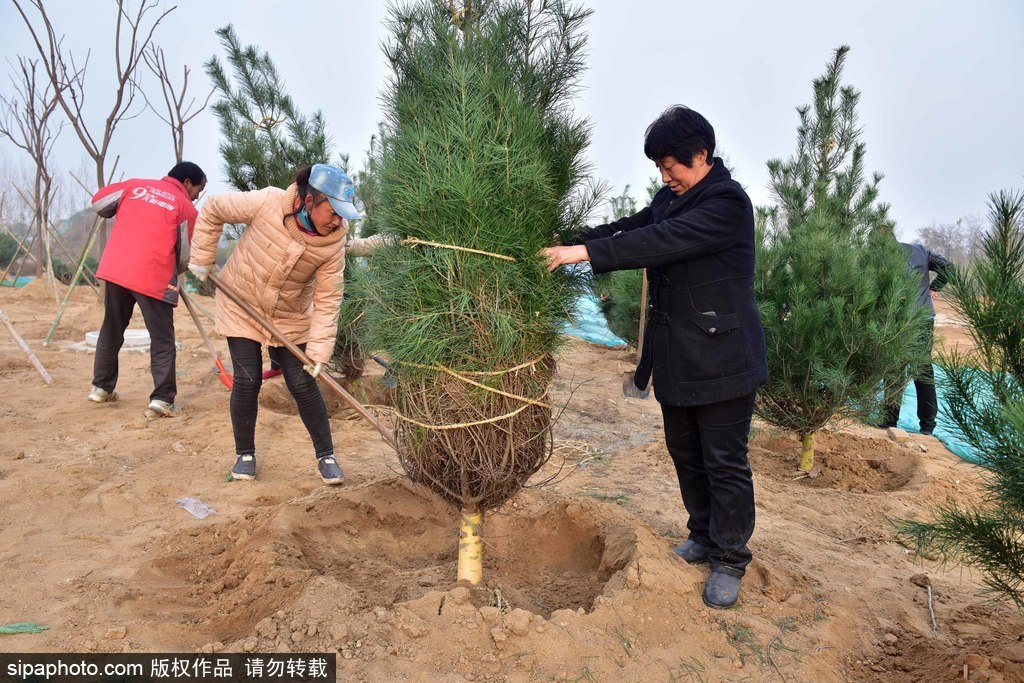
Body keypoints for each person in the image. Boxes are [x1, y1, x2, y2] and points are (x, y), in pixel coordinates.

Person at [542, 105, 767, 608]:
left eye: (672, 166)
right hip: (678, 355)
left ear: (702, 155)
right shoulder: (672, 198)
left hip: (724, 357)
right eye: (660, 169)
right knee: (686, 453)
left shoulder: (726, 203)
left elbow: (660, 241)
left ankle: (730, 557)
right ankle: (703, 534)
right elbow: (632, 225)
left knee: (725, 462)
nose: (665, 177)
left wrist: (583, 257)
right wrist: (572, 241)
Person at [188, 164, 380, 486]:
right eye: (332, 212)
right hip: (242, 302)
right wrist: (203, 259)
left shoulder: (333, 243)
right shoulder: (268, 202)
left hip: (290, 315)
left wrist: (319, 351)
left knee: (303, 382)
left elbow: (329, 299)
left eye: (342, 215)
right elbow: (215, 208)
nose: (337, 221)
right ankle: (245, 454)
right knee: (248, 380)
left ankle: (326, 455)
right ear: (308, 203)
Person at [87, 161, 207, 418]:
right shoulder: (185, 208)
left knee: (111, 329)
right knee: (162, 339)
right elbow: (186, 256)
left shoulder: (134, 186)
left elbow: (99, 203)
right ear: (187, 182)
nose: (197, 196)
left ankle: (100, 389)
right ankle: (162, 400)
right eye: (199, 189)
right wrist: (173, 269)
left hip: (117, 270)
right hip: (153, 275)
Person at [877, 242, 953, 435]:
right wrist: (936, 287)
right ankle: (927, 425)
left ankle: (889, 419)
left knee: (894, 368)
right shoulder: (920, 251)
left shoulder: (881, 256)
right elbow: (948, 267)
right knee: (923, 369)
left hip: (898, 318)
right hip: (922, 317)